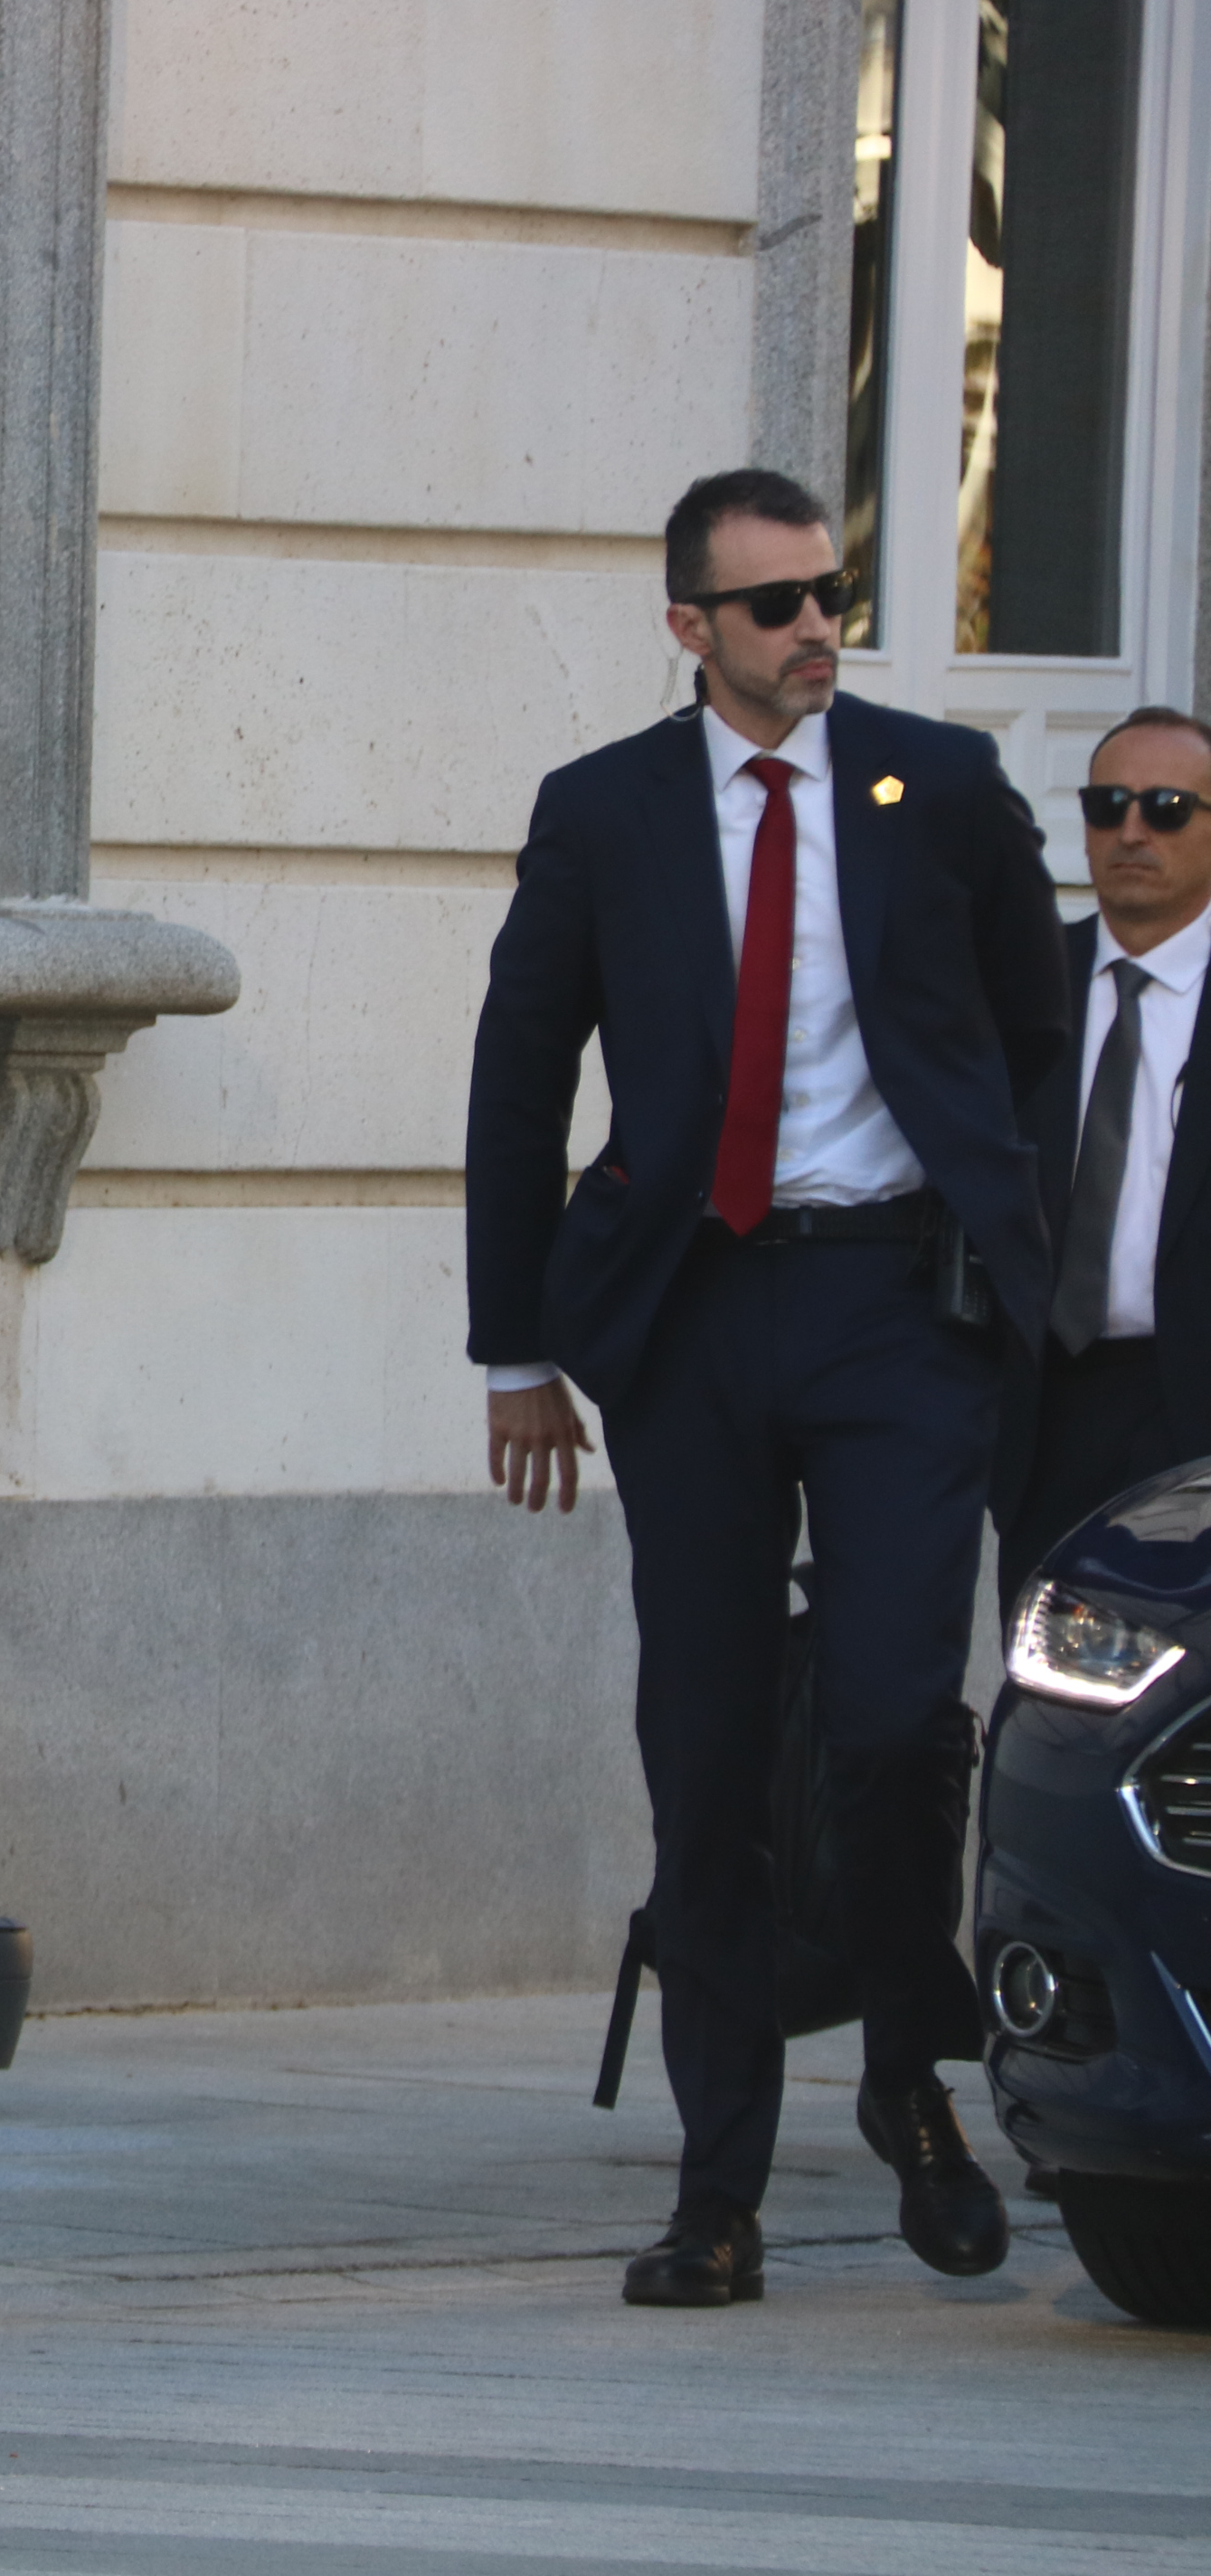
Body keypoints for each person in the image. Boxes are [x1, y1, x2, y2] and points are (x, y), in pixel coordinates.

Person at [468, 469, 1070, 2307]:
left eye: (830, 593)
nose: (816, 627)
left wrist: (1007, 1261)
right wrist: (516, 1347)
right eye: (775, 603)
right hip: (694, 1313)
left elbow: (1032, 1043)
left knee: (892, 1718)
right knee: (708, 1745)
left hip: (895, 1307)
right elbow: (519, 1072)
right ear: (689, 627)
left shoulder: (939, 787)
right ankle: (715, 2186)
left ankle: (905, 2067)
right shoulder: (604, 810)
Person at [996, 704, 1211, 1596]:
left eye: (1167, 808)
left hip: (1191, 1407)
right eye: (1107, 805)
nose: (1131, 831)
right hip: (1046, 1410)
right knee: (1045, 1662)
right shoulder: (1018, 984)